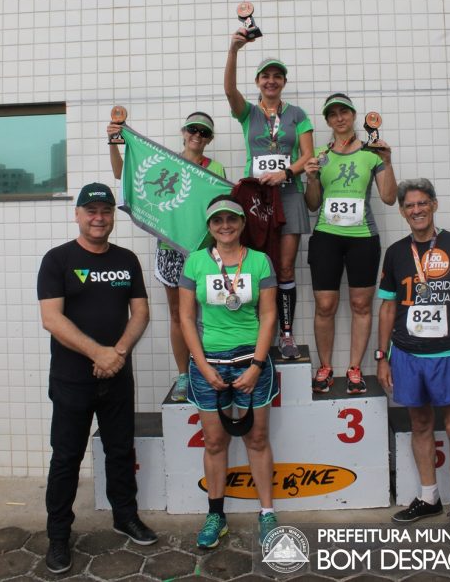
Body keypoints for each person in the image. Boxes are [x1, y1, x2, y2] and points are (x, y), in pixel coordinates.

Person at [37, 182, 157, 575]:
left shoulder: (126, 260)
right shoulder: (57, 260)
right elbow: (51, 319)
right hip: (72, 380)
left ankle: (125, 516)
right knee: (66, 458)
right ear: (77, 214)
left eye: (105, 211)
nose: (99, 218)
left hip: (117, 377)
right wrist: (98, 353)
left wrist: (116, 354)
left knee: (120, 450)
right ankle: (58, 535)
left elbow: (140, 312)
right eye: (91, 211)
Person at [377, 178, 450, 523]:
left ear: (434, 205)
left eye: (422, 203)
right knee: (420, 424)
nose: (417, 210)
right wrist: (382, 357)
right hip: (407, 355)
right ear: (402, 211)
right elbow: (387, 308)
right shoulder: (396, 253)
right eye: (409, 205)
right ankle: (429, 498)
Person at [179, 195, 278, 548]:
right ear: (209, 227)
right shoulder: (194, 262)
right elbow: (186, 318)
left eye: (232, 219)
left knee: (257, 439)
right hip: (210, 364)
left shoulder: (260, 261)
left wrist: (256, 365)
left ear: (242, 223)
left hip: (252, 361)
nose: (225, 226)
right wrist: (203, 366)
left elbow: (269, 315)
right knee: (215, 441)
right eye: (217, 220)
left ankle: (267, 513)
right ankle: (216, 515)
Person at [107, 111, 226, 402]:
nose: (197, 135)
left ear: (210, 139)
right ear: (183, 132)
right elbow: (123, 175)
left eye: (204, 132)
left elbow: (220, 209)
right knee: (178, 315)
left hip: (203, 252)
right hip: (170, 250)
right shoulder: (165, 161)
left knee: (210, 313)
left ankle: (208, 369)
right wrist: (114, 143)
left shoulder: (216, 169)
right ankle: (184, 374)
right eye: (193, 129)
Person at [224, 29, 314, 359]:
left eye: (277, 76)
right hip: (256, 199)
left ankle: (286, 334)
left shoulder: (297, 115)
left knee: (286, 268)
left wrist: (286, 173)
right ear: (258, 82)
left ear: (284, 82)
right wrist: (234, 50)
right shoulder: (248, 112)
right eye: (266, 76)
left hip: (289, 194)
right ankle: (256, 330)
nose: (271, 81)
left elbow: (308, 155)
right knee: (257, 265)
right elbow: (229, 90)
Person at [304, 93, 397, 394]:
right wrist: (312, 179)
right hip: (326, 236)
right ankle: (325, 367)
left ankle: (355, 369)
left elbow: (389, 197)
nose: (339, 118)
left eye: (344, 112)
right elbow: (312, 204)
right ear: (328, 121)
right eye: (333, 114)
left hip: (363, 239)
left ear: (354, 115)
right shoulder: (320, 155)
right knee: (325, 305)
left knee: (360, 304)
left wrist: (388, 161)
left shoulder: (372, 153)